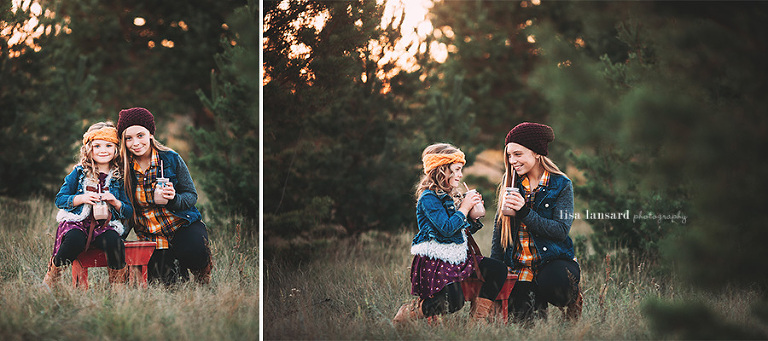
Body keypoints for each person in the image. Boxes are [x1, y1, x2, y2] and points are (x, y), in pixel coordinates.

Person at [393, 143, 508, 325]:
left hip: (458, 257)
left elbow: (458, 230)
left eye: (461, 169)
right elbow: (446, 228)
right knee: (453, 301)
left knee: (497, 269)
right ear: (441, 170)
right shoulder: (428, 198)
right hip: (437, 260)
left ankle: (477, 322)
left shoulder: (449, 196)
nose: (461, 175)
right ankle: (409, 312)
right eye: (456, 169)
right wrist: (464, 207)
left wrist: (474, 217)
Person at [490, 122, 583, 325]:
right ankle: (533, 296)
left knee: (558, 288)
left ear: (537, 153)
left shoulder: (561, 184)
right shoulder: (510, 182)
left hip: (552, 262)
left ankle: (573, 296)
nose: (512, 160)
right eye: (509, 155)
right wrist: (496, 273)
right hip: (520, 267)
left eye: (518, 154)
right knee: (526, 326)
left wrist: (524, 212)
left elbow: (560, 230)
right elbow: (500, 231)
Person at [116, 107, 212, 285]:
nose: (135, 143)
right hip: (151, 236)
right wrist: (118, 236)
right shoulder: (123, 169)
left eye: (140, 135)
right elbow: (126, 210)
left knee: (194, 251)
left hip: (180, 226)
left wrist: (174, 199)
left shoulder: (170, 159)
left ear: (150, 134)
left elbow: (191, 196)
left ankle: (202, 268)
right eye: (128, 138)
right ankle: (176, 267)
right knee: (168, 284)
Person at [43, 122, 133, 289]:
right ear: (88, 149)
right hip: (77, 222)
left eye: (108, 145)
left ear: (115, 149)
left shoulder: (119, 178)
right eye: (97, 146)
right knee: (74, 240)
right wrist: (82, 198)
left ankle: (118, 288)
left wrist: (114, 202)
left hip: (104, 225)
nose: (103, 150)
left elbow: (128, 211)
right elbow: (60, 199)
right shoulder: (78, 173)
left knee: (114, 241)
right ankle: (52, 279)